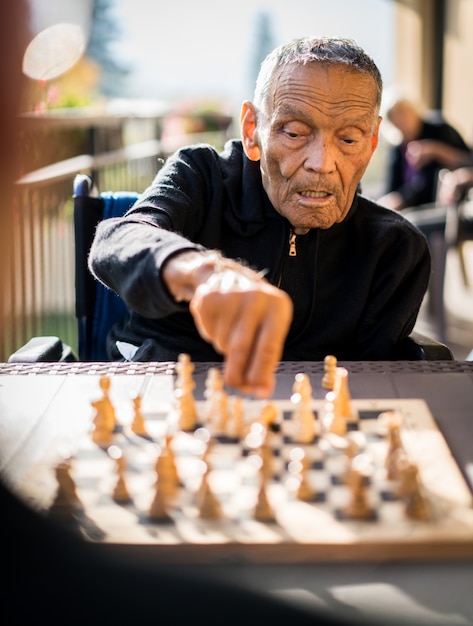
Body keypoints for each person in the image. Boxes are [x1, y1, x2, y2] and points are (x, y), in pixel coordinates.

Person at [89, 36, 431, 399]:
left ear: (374, 140)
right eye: (295, 133)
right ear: (252, 130)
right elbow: (120, 237)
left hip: (304, 429)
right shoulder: (201, 176)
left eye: (348, 139)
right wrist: (202, 273)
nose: (322, 163)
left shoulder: (394, 251)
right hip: (165, 404)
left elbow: (366, 389)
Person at [377, 95, 470, 211]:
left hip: (438, 206)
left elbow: (468, 160)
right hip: (408, 209)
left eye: (404, 111)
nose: (402, 118)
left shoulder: (438, 129)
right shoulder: (397, 148)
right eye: (396, 115)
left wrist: (436, 151)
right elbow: (392, 186)